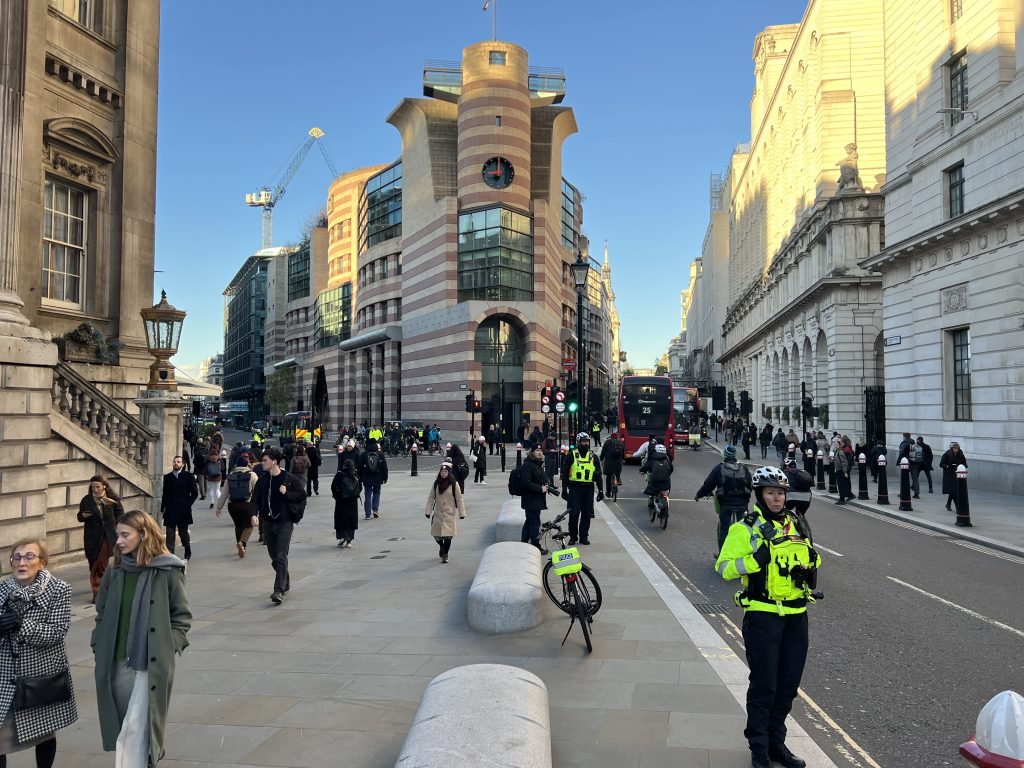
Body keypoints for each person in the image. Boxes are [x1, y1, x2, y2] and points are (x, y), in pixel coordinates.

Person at [715, 467, 822, 768]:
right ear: (759, 495)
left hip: (796, 615)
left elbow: (813, 557)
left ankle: (777, 744)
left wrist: (808, 566)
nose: (777, 499)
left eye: (781, 493)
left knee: (788, 686)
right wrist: (755, 560)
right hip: (763, 616)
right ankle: (759, 749)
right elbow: (724, 568)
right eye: (770, 493)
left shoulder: (797, 524)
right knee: (765, 686)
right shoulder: (745, 528)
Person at [92, 510, 191, 768]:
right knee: (126, 724)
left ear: (143, 534)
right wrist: (97, 643)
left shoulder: (168, 569)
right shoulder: (115, 571)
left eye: (125, 535)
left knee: (136, 728)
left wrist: (168, 647)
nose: (119, 541)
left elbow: (181, 617)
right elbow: (101, 612)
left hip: (150, 663)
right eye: (118, 535)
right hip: (115, 661)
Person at [0, 539, 78, 768]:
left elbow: (57, 631)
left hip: (40, 677)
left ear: (42, 562)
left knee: (43, 733)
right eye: (17, 557)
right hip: (5, 676)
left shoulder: (58, 589)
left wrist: (22, 625)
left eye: (29, 557)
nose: (21, 562)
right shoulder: (2, 589)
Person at [253, 448, 308, 604]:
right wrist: (253, 515)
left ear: (274, 461)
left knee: (280, 554)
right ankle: (285, 581)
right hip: (268, 523)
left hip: (285, 522)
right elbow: (255, 500)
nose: (262, 463)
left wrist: (286, 493)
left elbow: (302, 494)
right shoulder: (262, 480)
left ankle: (278, 590)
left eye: (265, 460)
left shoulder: (288, 478)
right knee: (274, 557)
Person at [695, 444, 753, 555]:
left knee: (724, 529)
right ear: (735, 455)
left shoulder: (719, 468)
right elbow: (749, 485)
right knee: (745, 528)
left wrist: (699, 495)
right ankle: (746, 552)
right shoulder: (743, 468)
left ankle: (722, 554)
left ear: (725, 455)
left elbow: (708, 484)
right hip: (742, 504)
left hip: (726, 504)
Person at [78, 475, 124, 602]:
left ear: (104, 486)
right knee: (93, 563)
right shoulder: (87, 500)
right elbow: (79, 517)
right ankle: (102, 586)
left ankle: (98, 593)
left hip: (108, 536)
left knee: (101, 563)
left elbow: (120, 514)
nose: (95, 490)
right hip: (92, 536)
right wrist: (83, 516)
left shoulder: (112, 499)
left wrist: (119, 527)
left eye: (98, 487)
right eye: (93, 487)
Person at [560, 432, 603, 546]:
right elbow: (565, 474)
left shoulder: (593, 457)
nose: (586, 443)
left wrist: (601, 491)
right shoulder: (572, 455)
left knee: (586, 514)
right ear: (578, 442)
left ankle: (584, 536)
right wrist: (564, 490)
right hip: (575, 488)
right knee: (573, 514)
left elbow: (598, 475)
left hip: (588, 489)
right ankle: (573, 536)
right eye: (583, 441)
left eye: (587, 441)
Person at [216, 455, 259, 558]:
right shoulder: (252, 475)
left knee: (238, 525)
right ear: (246, 464)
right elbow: (258, 490)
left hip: (232, 505)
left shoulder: (230, 476)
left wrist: (219, 507)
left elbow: (224, 493)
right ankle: (242, 543)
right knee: (248, 525)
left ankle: (240, 545)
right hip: (247, 504)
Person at [424, 462, 467, 564]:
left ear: (449, 473)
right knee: (436, 535)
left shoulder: (454, 484)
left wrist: (462, 513)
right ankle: (441, 546)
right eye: (442, 471)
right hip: (438, 513)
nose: (443, 473)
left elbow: (459, 499)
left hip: (449, 514)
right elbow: (431, 498)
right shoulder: (436, 483)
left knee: (448, 536)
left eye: (445, 471)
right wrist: (428, 511)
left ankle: (445, 554)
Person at [160, 455, 198, 560]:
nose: (176, 463)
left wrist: (188, 504)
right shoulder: (167, 477)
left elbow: (194, 493)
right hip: (170, 510)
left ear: (183, 464)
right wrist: (162, 508)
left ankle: (187, 549)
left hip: (183, 510)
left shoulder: (188, 476)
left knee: (183, 533)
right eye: (174, 462)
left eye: (178, 462)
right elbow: (165, 494)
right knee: (170, 534)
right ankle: (170, 555)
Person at [519, 443, 550, 551]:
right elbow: (525, 483)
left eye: (541, 450)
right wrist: (540, 489)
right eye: (537, 450)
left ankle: (523, 543)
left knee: (530, 521)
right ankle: (535, 545)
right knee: (534, 523)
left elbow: (540, 479)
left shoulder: (537, 464)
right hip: (531, 500)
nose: (540, 452)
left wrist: (546, 484)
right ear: (532, 452)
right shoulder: (528, 465)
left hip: (537, 499)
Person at [331, 458, 362, 548]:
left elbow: (333, 486)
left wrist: (337, 496)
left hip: (341, 502)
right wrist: (355, 495)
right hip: (352, 502)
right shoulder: (355, 475)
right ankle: (349, 540)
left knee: (341, 519)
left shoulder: (339, 475)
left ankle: (342, 536)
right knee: (351, 520)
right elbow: (360, 487)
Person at [358, 438, 388, 519]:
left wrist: (360, 478)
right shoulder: (380, 454)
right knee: (376, 493)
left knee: (367, 495)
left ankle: (367, 514)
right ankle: (375, 510)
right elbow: (384, 467)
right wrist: (385, 477)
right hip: (378, 477)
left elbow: (359, 467)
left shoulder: (364, 454)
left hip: (367, 478)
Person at [781, 456, 814, 524]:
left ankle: (786, 526)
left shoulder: (783, 473)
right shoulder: (803, 472)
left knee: (784, 514)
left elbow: (782, 486)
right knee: (800, 515)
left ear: (786, 466)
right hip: (806, 497)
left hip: (791, 498)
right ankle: (803, 525)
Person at [939, 441, 968, 514]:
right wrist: (948, 466)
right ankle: (957, 507)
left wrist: (961, 466)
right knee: (953, 491)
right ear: (952, 448)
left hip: (957, 474)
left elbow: (965, 463)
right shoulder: (947, 454)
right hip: (949, 474)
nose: (956, 450)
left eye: (957, 448)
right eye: (954, 448)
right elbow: (941, 464)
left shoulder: (961, 454)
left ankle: (948, 504)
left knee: (954, 491)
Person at [600, 432, 624, 497]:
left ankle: (608, 493)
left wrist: (601, 459)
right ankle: (618, 479)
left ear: (611, 437)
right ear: (617, 437)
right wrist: (622, 459)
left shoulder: (607, 442)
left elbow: (603, 452)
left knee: (608, 477)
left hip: (609, 463)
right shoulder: (621, 443)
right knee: (617, 472)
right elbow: (623, 452)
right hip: (618, 463)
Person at [834, 437, 853, 505]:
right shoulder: (837, 452)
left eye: (837, 444)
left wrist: (845, 472)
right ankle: (842, 498)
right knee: (840, 485)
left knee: (841, 485)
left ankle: (842, 500)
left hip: (841, 471)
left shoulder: (840, 452)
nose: (835, 445)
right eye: (835, 444)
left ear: (840, 445)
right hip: (838, 470)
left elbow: (844, 462)